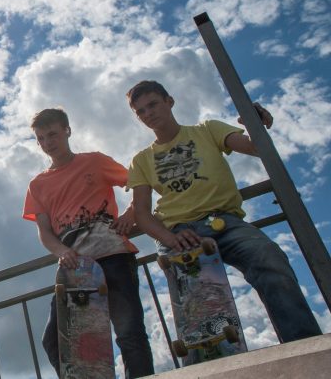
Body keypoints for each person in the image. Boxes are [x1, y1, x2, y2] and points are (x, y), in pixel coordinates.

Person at [126, 80, 321, 342]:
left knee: (268, 257)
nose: (148, 113)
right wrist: (169, 238)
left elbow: (253, 147)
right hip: (179, 232)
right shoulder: (141, 160)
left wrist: (256, 124)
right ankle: (208, 358)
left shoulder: (207, 129)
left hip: (224, 222)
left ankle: (304, 344)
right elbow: (141, 213)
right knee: (197, 300)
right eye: (141, 111)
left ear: (169, 102)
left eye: (153, 105)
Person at [23, 108, 154, 378]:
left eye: (53, 134)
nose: (48, 142)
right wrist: (61, 251)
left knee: (129, 332)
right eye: (42, 138)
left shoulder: (94, 161)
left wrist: (132, 213)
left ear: (67, 131)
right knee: (54, 340)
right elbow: (45, 231)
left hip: (113, 254)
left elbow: (139, 181)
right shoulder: (38, 184)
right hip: (74, 268)